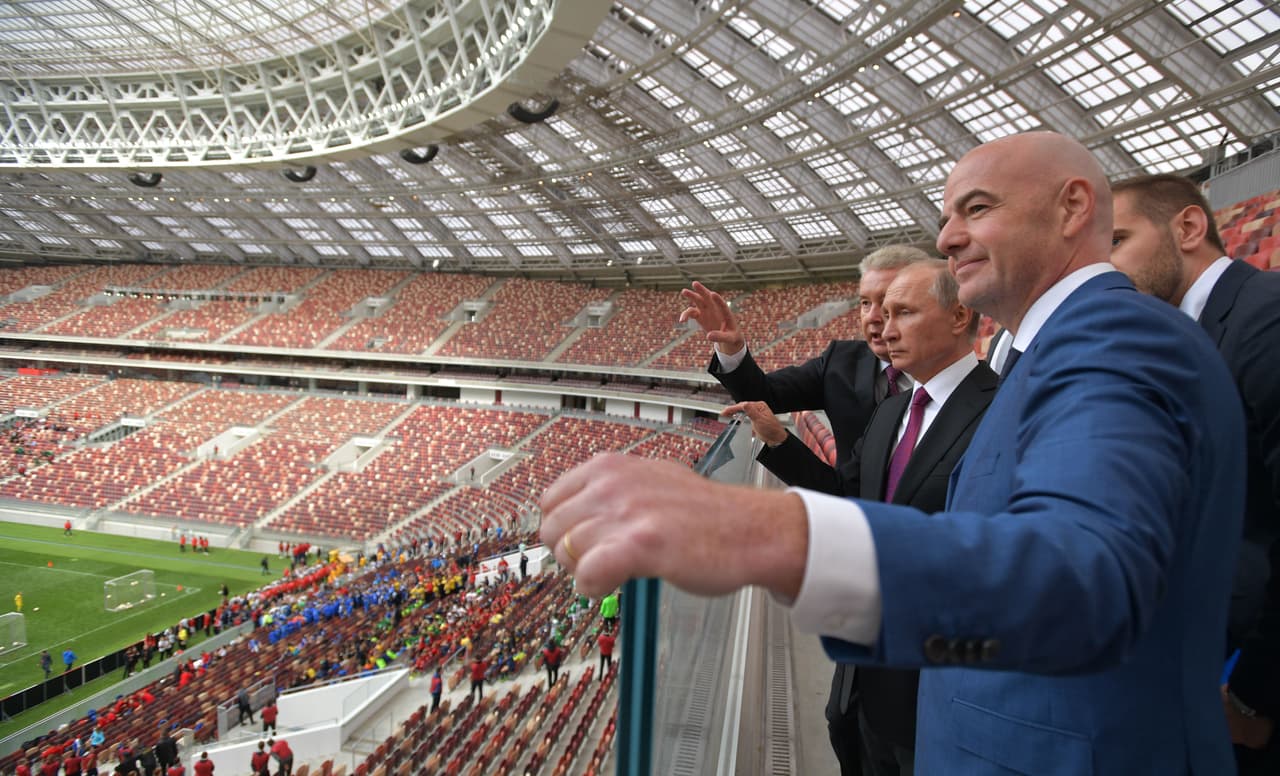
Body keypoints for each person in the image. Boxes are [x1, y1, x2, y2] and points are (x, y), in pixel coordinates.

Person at [539, 131, 1245, 774]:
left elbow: (1088, 586)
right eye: (945, 219)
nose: (947, 239)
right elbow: (1022, 626)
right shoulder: (1045, 355)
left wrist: (769, 531)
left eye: (975, 209)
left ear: (1071, 207)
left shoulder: (1115, 337)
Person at [1110, 172, 1280, 775]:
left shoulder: (1266, 315)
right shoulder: (1182, 337)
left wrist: (1254, 695)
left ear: (1187, 227)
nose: (1104, 267)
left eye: (1117, 241)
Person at [682, 245, 931, 494]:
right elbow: (763, 394)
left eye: (887, 301)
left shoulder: (951, 380)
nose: (873, 316)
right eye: (866, 303)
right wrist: (731, 347)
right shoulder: (841, 361)